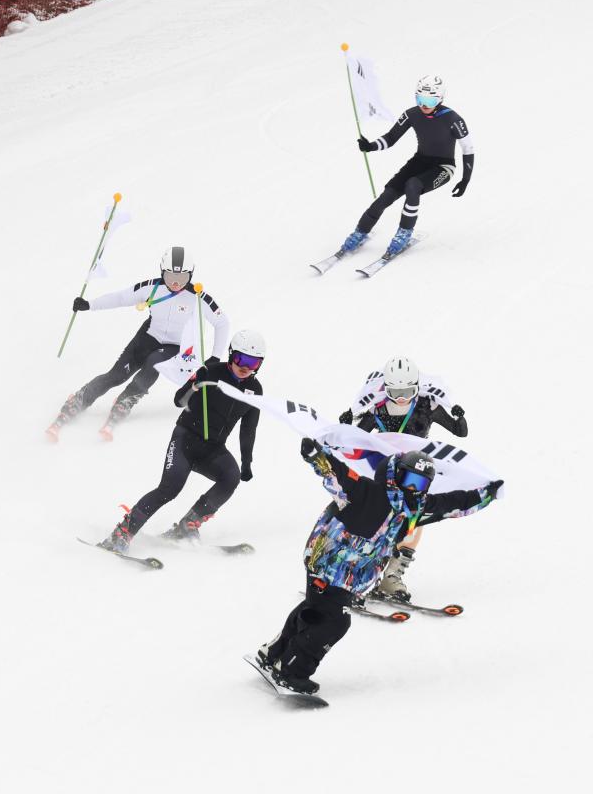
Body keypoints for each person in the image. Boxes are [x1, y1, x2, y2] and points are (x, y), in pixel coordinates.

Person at [256, 444, 502, 695]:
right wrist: (316, 455)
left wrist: (487, 494)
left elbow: (453, 504)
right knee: (335, 621)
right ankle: (290, 671)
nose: (413, 489)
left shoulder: (414, 510)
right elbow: (336, 473)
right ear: (397, 473)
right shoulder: (366, 491)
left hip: (350, 576)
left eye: (421, 484)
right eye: (410, 480)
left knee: (316, 610)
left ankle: (273, 652)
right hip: (327, 563)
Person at [99, 329, 265, 552]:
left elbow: (248, 429)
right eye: (241, 359)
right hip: (185, 440)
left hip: (213, 448)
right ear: (231, 354)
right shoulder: (210, 371)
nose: (245, 367)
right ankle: (122, 533)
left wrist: (247, 462)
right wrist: (196, 384)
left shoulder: (254, 390)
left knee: (231, 476)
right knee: (169, 489)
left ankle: (187, 525)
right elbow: (179, 400)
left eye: (253, 363)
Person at [46, 247, 229, 441]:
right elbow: (121, 297)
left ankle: (127, 399)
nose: (175, 283)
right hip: (148, 337)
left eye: (182, 278)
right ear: (161, 272)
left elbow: (222, 323)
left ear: (191, 276)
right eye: (170, 277)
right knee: (116, 376)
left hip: (174, 346)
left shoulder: (199, 298)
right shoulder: (152, 287)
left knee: (154, 363)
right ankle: (80, 398)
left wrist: (215, 356)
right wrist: (89, 305)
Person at [339, 355, 468, 601]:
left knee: (413, 518)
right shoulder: (377, 408)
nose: (401, 398)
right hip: (383, 469)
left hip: (415, 471)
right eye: (395, 392)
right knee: (378, 519)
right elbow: (353, 437)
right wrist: (346, 424)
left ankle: (392, 577)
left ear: (417, 388)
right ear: (384, 389)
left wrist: (458, 415)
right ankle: (354, 575)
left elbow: (460, 432)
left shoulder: (426, 406)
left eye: (408, 391)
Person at [337, 75, 474, 258]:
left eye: (429, 100)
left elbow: (468, 148)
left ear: (440, 99)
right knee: (386, 197)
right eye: (420, 99)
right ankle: (360, 232)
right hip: (419, 161)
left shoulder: (453, 119)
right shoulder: (412, 114)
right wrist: (371, 146)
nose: (424, 105)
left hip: (443, 167)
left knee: (413, 186)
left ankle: (404, 233)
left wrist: (465, 179)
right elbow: (391, 138)